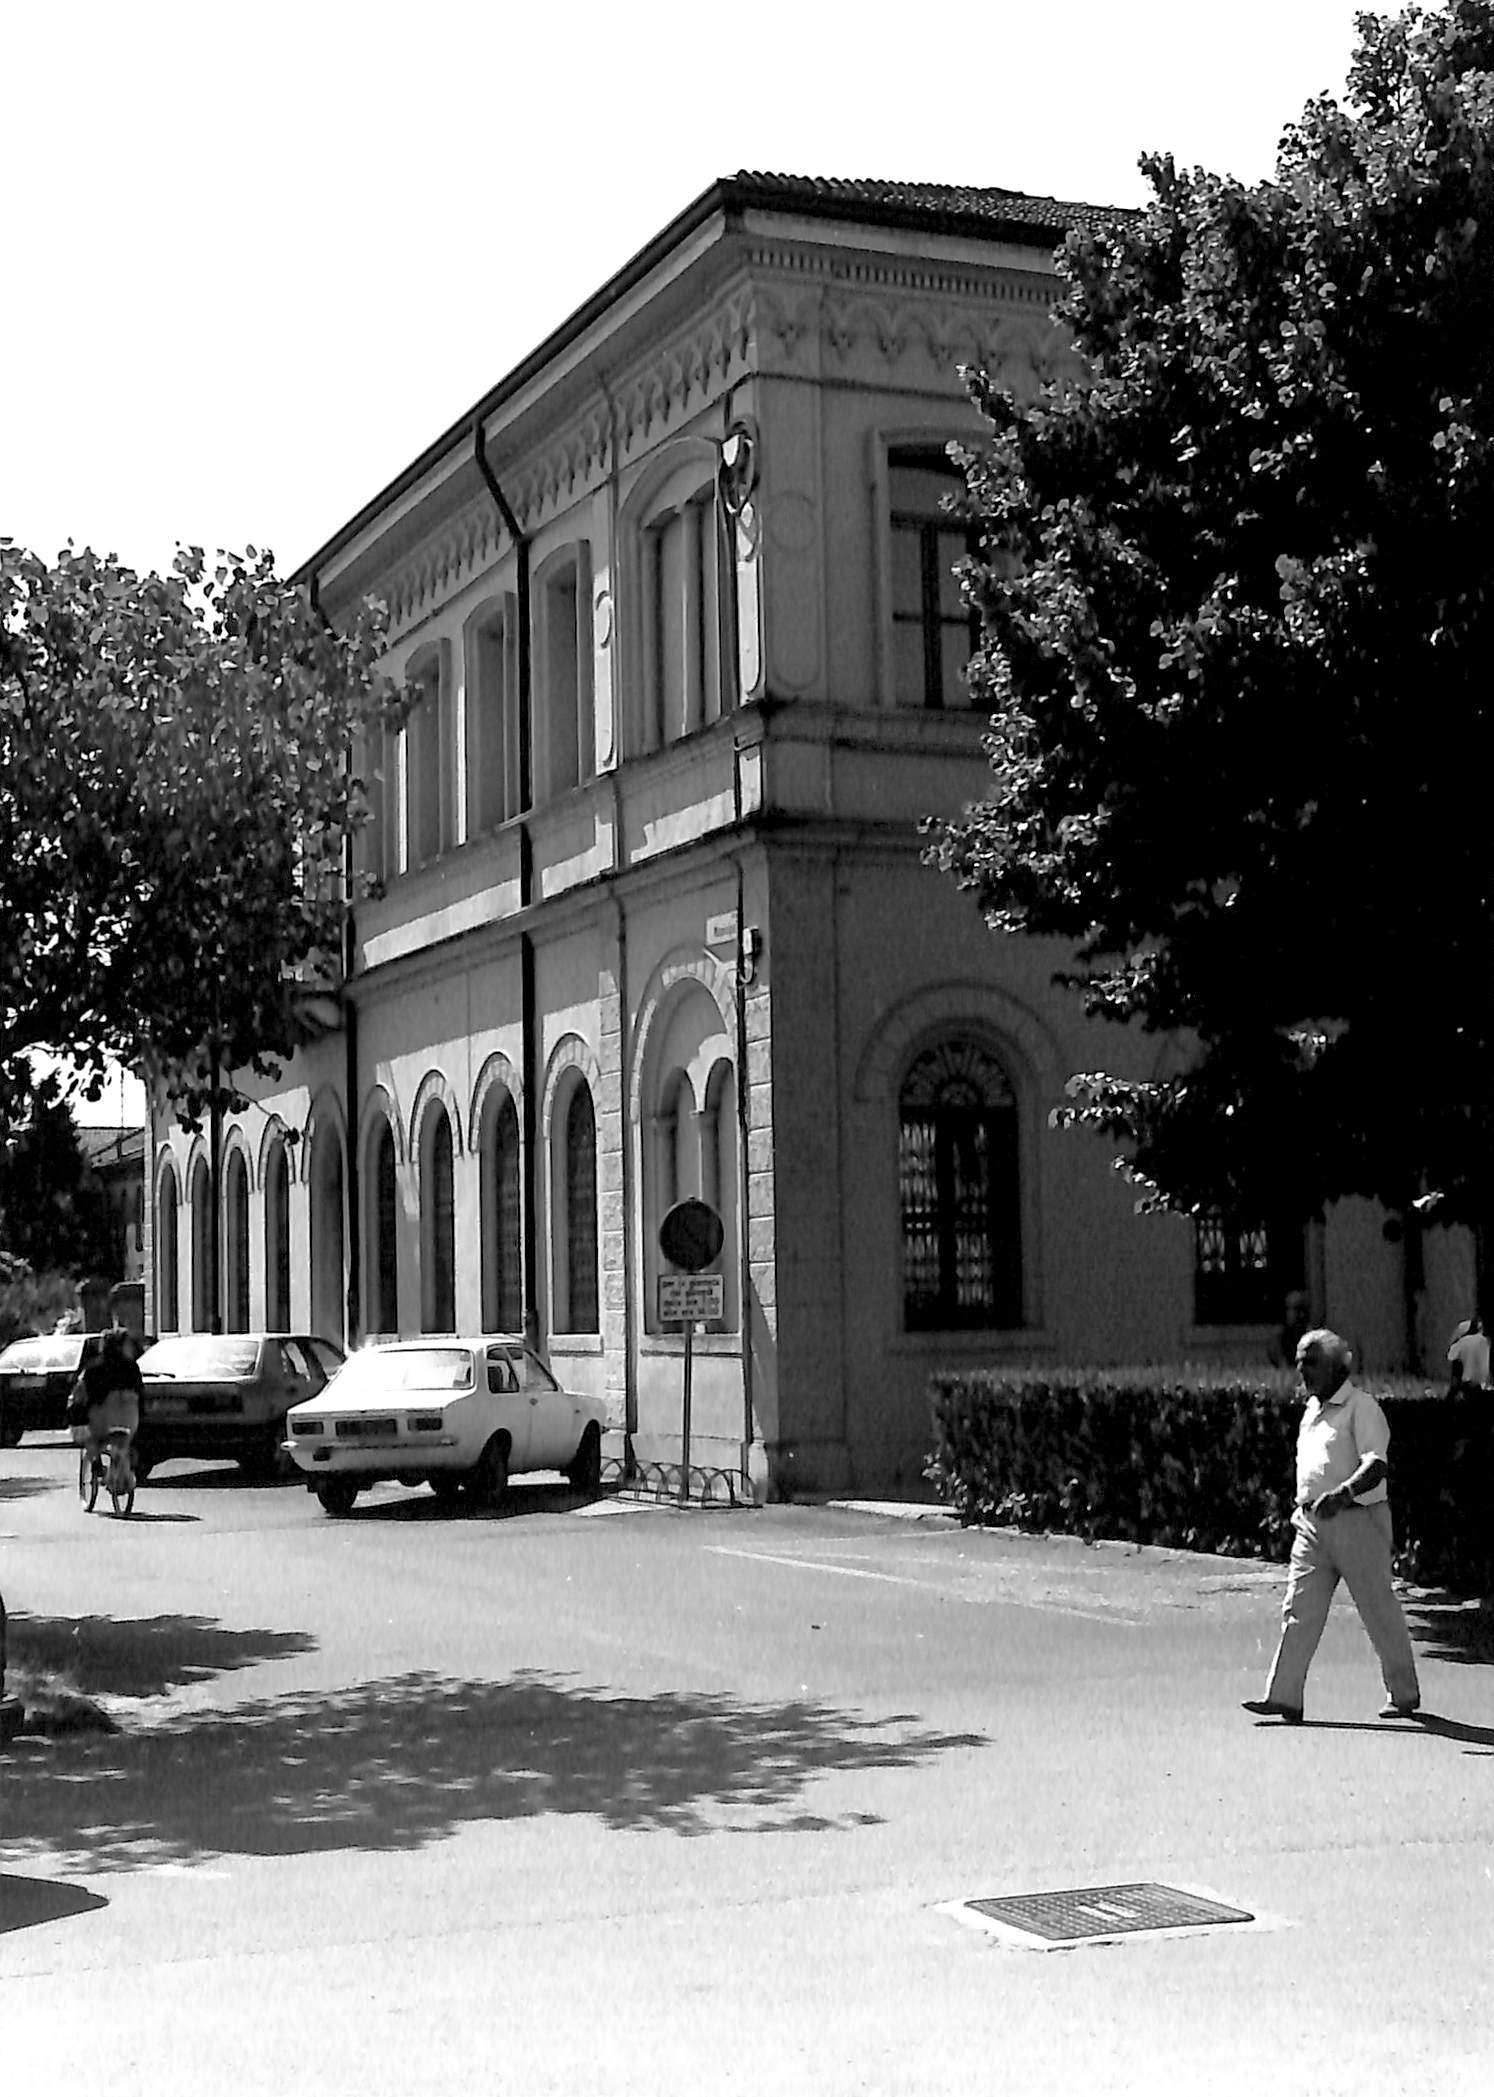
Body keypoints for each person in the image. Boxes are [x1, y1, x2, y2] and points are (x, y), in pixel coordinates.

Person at [1243, 1327, 1421, 1724]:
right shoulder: (1312, 1410)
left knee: (1378, 1610)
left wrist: (1343, 1494)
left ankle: (1403, 1693)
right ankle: (1284, 1695)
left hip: (1357, 1520)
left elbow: (1376, 1464)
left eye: (1312, 1363)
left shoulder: (1362, 1407)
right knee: (1298, 1609)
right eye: (1300, 1364)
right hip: (1311, 1524)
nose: (1303, 1372)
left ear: (1340, 1366)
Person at [72, 1324, 145, 1481]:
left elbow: (84, 1394)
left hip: (103, 1419)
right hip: (129, 1419)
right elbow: (140, 1392)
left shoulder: (93, 1368)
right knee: (126, 1441)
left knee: (90, 1439)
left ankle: (96, 1464)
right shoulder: (132, 1367)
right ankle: (124, 1467)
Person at [1446, 1315, 1489, 1393]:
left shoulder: (1464, 1338)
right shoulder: (1486, 1341)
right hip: (1480, 1380)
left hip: (1468, 1378)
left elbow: (1450, 1354)